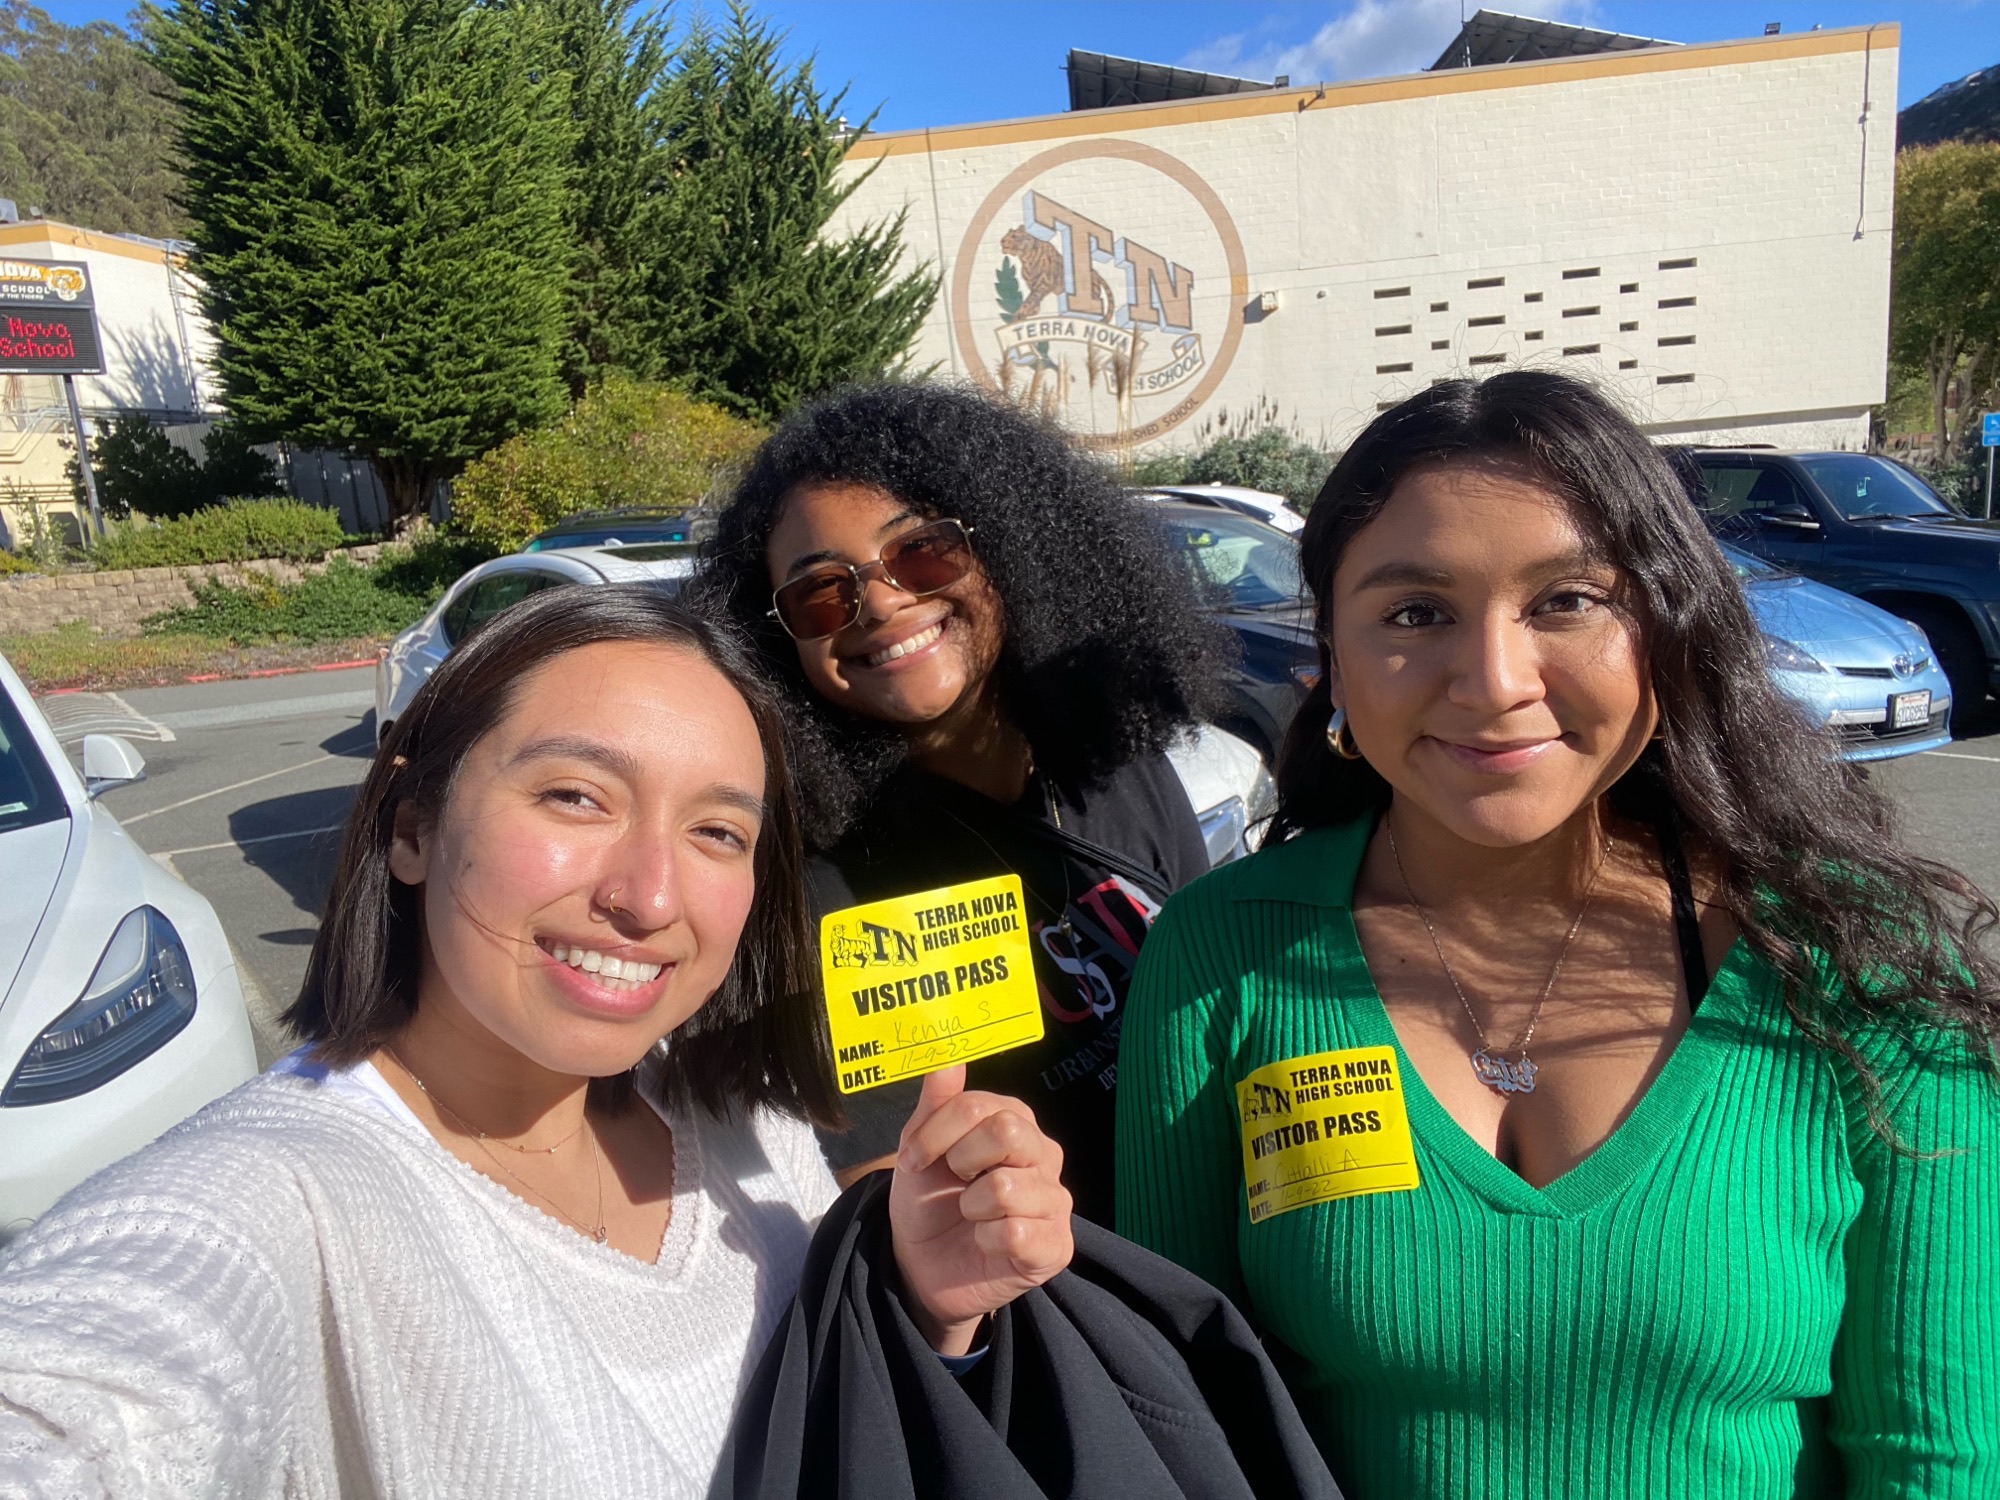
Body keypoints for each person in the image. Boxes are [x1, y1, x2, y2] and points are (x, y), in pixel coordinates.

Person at [1116, 370, 2000, 1498]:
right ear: (1332, 661)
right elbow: (1182, 1420)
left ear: (1669, 630)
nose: (1492, 681)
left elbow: (1935, 1461)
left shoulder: (1856, 961)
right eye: (1413, 613)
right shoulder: (1217, 959)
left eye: (1565, 601)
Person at [0, 587, 1073, 1497]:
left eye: (717, 832)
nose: (649, 896)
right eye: (574, 796)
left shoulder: (748, 1125)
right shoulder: (270, 1202)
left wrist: (923, 1307)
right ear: (413, 825)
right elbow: (90, 1389)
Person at [693, 381, 1233, 1226]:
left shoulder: (1118, 764)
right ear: (779, 638)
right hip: (1072, 1312)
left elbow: (1224, 1009)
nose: (879, 602)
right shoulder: (820, 885)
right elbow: (892, 1196)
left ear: (1010, 544)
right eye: (821, 594)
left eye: (923, 552)